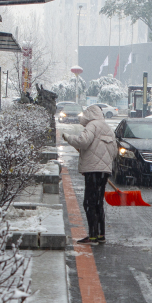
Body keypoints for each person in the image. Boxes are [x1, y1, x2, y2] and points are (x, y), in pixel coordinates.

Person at [61, 104, 115, 244]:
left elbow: (83, 142)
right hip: (104, 171)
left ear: (90, 114)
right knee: (98, 203)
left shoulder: (92, 125)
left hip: (93, 170)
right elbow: (114, 151)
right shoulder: (107, 127)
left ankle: (92, 236)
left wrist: (68, 138)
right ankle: (100, 235)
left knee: (89, 203)